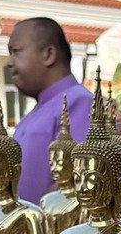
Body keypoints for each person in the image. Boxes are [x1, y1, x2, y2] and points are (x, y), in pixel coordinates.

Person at [7, 17, 93, 202]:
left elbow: (76, 178)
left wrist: (35, 220)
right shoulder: (33, 113)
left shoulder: (79, 103)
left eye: (16, 52)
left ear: (49, 55)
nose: (9, 62)